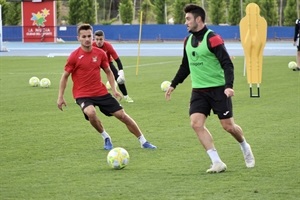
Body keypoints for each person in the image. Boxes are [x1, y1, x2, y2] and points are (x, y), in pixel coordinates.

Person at [165, 4, 254, 173]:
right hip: (199, 91)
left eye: (188, 19)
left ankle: (244, 146)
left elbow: (227, 64)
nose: (186, 22)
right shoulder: (187, 41)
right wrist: (173, 84)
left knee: (228, 126)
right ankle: (217, 162)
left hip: (219, 89)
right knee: (196, 123)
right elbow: (186, 66)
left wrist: (228, 86)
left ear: (198, 19)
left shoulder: (213, 38)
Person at [57, 24, 156, 150]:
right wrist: (60, 96)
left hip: (100, 92)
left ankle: (143, 141)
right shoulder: (74, 56)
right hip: (82, 94)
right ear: (79, 38)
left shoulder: (100, 53)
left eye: (89, 36)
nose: (87, 39)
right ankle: (106, 137)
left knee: (122, 115)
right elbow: (65, 76)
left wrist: (114, 89)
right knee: (91, 112)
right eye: (84, 36)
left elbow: (108, 71)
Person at [93, 30, 134, 102]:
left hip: (107, 63)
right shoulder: (91, 46)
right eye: (97, 39)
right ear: (94, 39)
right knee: (88, 78)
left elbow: (117, 60)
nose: (99, 41)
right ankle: (83, 96)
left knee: (119, 80)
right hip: (95, 63)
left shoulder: (108, 46)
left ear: (104, 39)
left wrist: (121, 72)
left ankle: (126, 96)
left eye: (101, 39)